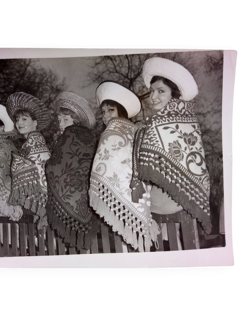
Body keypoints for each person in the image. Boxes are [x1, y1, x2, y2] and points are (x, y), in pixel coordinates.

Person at [131, 57, 212, 244]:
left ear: (174, 95)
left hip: (177, 206)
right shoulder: (155, 124)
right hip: (158, 208)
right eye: (151, 91)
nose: (153, 97)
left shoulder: (176, 123)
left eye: (161, 91)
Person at [89, 81, 160, 252]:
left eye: (110, 110)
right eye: (103, 112)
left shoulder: (115, 130)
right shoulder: (134, 130)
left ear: (121, 110)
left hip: (130, 197)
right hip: (144, 200)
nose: (105, 116)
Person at [45, 92, 99, 251]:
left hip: (69, 201)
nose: (61, 124)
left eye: (65, 119)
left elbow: (55, 166)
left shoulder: (69, 134)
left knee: (67, 247)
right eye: (59, 120)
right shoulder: (89, 136)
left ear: (76, 120)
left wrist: (46, 164)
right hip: (88, 201)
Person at [6, 92, 51, 230]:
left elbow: (39, 176)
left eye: (24, 119)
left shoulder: (35, 142)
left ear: (35, 123)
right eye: (17, 119)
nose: (19, 123)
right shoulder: (29, 143)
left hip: (38, 203)